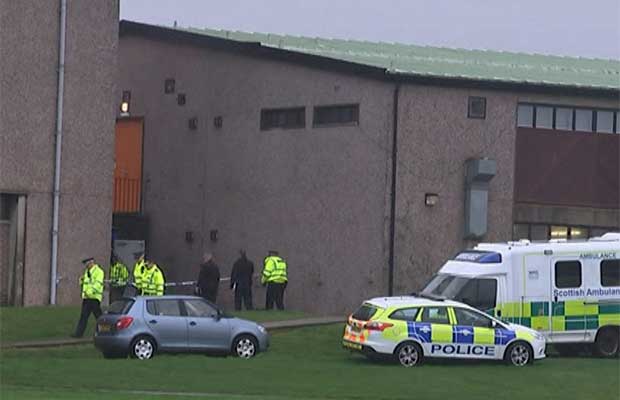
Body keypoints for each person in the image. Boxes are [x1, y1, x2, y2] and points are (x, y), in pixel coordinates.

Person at [71, 257, 104, 338]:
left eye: (86, 263)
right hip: (87, 298)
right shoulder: (87, 272)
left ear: (91, 262)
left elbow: (97, 284)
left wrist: (89, 292)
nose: (85, 265)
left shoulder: (99, 271)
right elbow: (87, 283)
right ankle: (78, 334)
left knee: (99, 317)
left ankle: (105, 332)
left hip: (94, 298)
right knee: (84, 316)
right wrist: (82, 281)